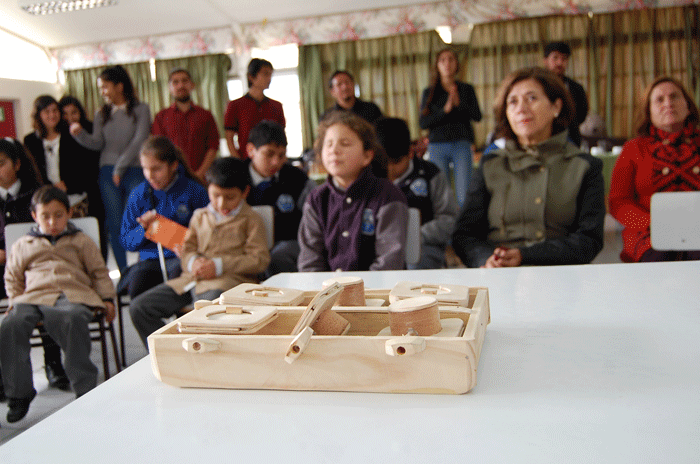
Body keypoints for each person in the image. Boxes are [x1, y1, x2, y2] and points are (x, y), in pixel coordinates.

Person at [452, 67, 605, 268]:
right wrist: (486, 260)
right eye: (512, 102)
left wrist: (525, 256)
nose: (521, 109)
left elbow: (589, 240)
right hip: (499, 276)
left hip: (560, 275)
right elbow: (464, 234)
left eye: (531, 98)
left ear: (556, 106)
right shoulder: (491, 164)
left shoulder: (584, 166)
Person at [0, 186, 115, 423]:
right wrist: (15, 300)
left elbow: (99, 272)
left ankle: (84, 388)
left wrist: (107, 299)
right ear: (35, 216)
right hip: (32, 296)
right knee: (11, 324)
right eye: (45, 216)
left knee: (73, 318)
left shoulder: (81, 240)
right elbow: (12, 277)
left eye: (58, 215)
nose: (52, 222)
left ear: (69, 213)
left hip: (72, 294)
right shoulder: (24, 244)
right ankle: (19, 394)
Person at [128, 157, 270, 348]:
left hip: (227, 284)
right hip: (190, 281)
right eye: (215, 195)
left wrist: (218, 265)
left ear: (244, 192)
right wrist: (192, 261)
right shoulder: (199, 216)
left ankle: (196, 351)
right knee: (139, 308)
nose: (221, 204)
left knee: (205, 310)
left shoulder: (252, 220)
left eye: (230, 197)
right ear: (208, 188)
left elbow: (259, 259)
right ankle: (169, 351)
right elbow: (187, 250)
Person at [298, 111, 408, 272]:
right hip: (326, 287)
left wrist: (359, 288)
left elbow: (389, 262)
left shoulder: (388, 196)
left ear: (367, 156)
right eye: (328, 144)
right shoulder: (316, 199)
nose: (334, 150)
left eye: (345, 143)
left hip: (378, 286)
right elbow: (310, 262)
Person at [69, 64, 151, 272]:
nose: (102, 92)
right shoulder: (101, 113)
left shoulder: (141, 109)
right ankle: (124, 273)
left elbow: (139, 141)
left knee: (139, 220)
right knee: (114, 224)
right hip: (107, 173)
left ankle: (143, 268)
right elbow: (97, 143)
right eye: (100, 88)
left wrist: (119, 168)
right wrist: (79, 134)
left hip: (133, 170)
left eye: (105, 87)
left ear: (119, 86)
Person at [609, 76, 700, 262]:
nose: (668, 103)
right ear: (648, 111)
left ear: (688, 105)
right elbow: (618, 202)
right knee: (658, 261)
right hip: (647, 232)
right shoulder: (633, 149)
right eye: (659, 99)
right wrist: (652, 222)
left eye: (674, 96)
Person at [119, 136, 208, 299]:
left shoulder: (194, 191)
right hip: (150, 260)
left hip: (182, 258)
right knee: (137, 291)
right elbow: (126, 241)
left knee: (176, 290)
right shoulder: (138, 194)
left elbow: (209, 234)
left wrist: (167, 231)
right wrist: (143, 229)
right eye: (145, 169)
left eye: (156, 169)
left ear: (173, 165)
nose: (150, 176)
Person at [375, 117, 458, 269]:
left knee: (413, 264)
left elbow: (449, 219)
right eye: (384, 162)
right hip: (381, 247)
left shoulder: (430, 174)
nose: (390, 170)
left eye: (396, 162)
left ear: (410, 152)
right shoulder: (372, 178)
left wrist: (415, 235)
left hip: (424, 246)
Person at [245, 121, 317, 277]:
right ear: (251, 150)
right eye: (269, 154)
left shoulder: (297, 179)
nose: (276, 162)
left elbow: (315, 214)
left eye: (281, 155)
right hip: (246, 246)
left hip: (288, 244)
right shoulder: (236, 178)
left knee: (277, 257)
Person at [419, 48, 482, 207]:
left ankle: (464, 223)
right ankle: (446, 223)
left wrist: (459, 104)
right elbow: (423, 123)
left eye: (451, 59)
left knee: (464, 194)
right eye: (443, 60)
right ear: (437, 65)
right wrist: (445, 110)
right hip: (437, 146)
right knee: (443, 196)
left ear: (457, 64)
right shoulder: (430, 92)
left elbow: (477, 116)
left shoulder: (466, 89)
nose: (447, 63)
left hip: (461, 144)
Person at [24, 95, 96, 218]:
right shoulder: (30, 140)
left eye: (55, 110)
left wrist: (68, 185)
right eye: (47, 111)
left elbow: (87, 166)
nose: (52, 115)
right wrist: (48, 188)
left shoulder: (72, 134)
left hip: (75, 198)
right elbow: (30, 172)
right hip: (46, 201)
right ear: (39, 115)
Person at [151, 68, 220, 182]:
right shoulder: (161, 117)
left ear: (192, 85)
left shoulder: (205, 115)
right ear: (170, 88)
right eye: (175, 82)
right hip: (172, 179)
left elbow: (213, 146)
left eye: (184, 81)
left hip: (203, 178)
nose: (181, 85)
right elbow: (159, 149)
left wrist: (200, 174)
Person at [58, 95, 106, 255]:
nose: (70, 118)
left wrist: (71, 184)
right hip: (66, 196)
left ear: (81, 112)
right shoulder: (60, 134)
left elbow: (93, 165)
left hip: (91, 191)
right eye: (65, 114)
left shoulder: (90, 130)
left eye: (74, 112)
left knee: (97, 235)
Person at [224, 58, 285, 159]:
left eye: (270, 74)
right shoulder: (235, 105)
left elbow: (281, 137)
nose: (269, 78)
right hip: (245, 161)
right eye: (265, 74)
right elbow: (229, 138)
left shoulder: (276, 106)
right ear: (251, 77)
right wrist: (238, 162)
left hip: (272, 161)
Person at [542, 42, 589, 147]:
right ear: (545, 60)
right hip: (544, 140)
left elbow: (582, 115)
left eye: (564, 59)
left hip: (571, 139)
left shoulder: (576, 88)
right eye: (555, 58)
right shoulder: (537, 86)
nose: (560, 63)